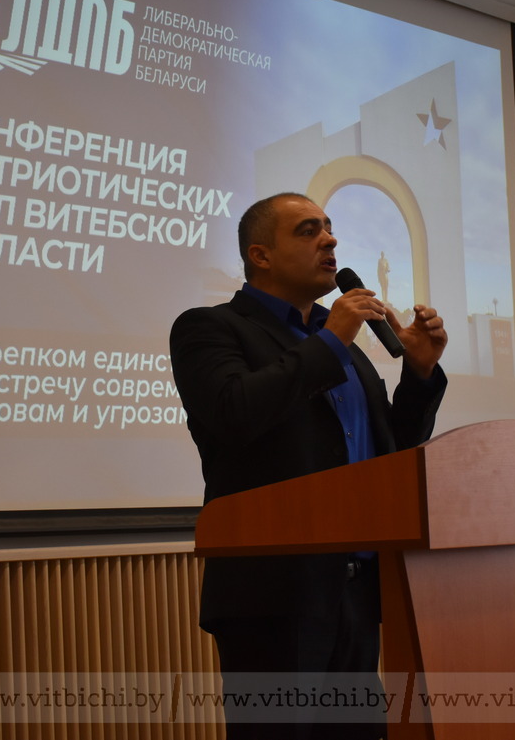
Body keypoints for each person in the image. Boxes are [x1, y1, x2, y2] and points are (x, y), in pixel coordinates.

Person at [170, 192, 448, 739]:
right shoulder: (210, 328)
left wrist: (418, 376)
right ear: (261, 255)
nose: (330, 239)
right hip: (272, 592)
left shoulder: (342, 346)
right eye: (308, 230)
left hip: (357, 590)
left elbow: (390, 456)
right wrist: (332, 339)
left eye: (329, 228)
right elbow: (235, 413)